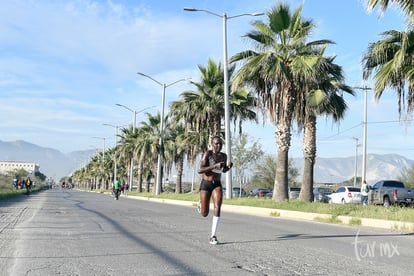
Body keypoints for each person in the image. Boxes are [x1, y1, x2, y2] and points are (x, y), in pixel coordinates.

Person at [197, 135, 233, 245]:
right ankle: (200, 204)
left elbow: (223, 170)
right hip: (206, 184)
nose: (219, 146)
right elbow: (200, 170)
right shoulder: (208, 154)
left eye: (221, 144)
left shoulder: (224, 156)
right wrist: (214, 166)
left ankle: (213, 236)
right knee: (204, 213)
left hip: (216, 184)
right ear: (212, 144)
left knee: (217, 206)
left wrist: (228, 168)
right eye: (216, 144)